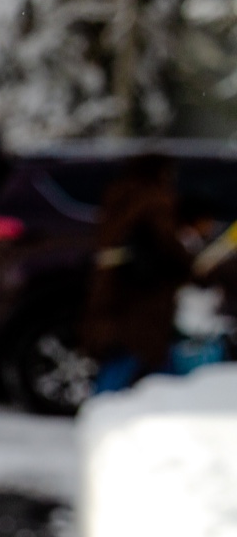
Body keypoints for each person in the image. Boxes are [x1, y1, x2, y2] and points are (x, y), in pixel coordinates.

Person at [83, 155, 191, 394]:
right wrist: (189, 265)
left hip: (112, 289)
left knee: (130, 354)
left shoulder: (117, 197)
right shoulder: (154, 201)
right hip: (143, 294)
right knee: (133, 353)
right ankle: (102, 414)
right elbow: (167, 244)